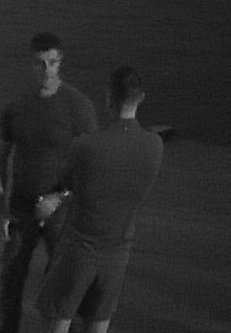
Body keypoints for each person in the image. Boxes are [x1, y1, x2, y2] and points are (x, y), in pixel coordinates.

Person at [32, 66, 164, 333]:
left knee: (57, 321)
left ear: (109, 98)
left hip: (79, 251)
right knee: (98, 324)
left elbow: (68, 184)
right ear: (140, 98)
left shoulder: (86, 145)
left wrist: (55, 200)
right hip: (117, 255)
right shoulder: (154, 145)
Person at [0, 32, 99, 333]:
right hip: (20, 209)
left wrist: (59, 197)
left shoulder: (78, 106)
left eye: (52, 62)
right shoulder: (18, 105)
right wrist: (1, 207)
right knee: (11, 279)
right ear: (32, 64)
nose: (47, 70)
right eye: (40, 63)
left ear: (60, 62)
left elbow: (90, 164)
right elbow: (0, 156)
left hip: (61, 213)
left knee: (63, 285)